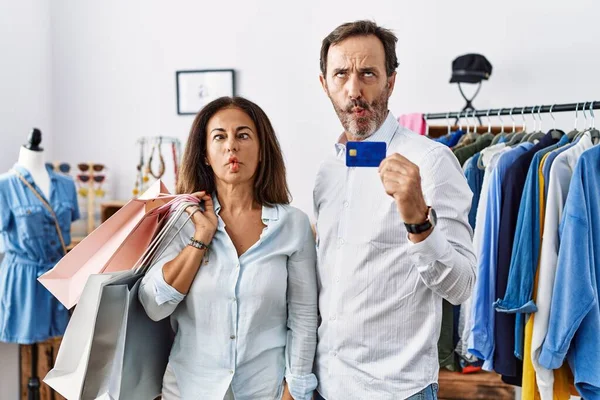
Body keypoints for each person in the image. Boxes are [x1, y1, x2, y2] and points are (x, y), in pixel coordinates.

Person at [312, 21, 476, 400]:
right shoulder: (327, 172)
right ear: (325, 84)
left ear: (390, 82)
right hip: (326, 385)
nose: (354, 90)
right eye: (341, 74)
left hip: (396, 391)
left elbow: (462, 286)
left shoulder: (432, 162)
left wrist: (419, 223)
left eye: (368, 73)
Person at [139, 96, 318, 400]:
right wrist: (201, 238)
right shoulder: (182, 220)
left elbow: (303, 318)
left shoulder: (293, 225)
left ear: (262, 150)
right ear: (206, 154)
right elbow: (154, 306)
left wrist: (296, 391)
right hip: (189, 390)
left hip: (266, 390)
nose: (231, 146)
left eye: (243, 135)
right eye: (219, 136)